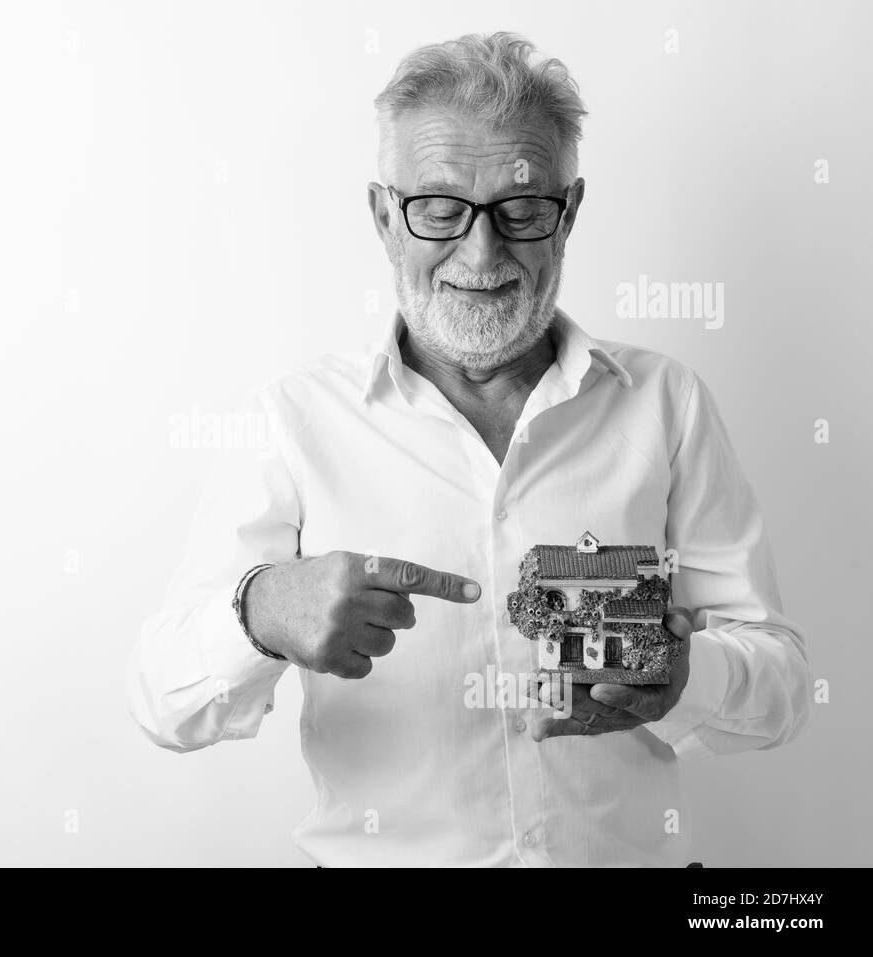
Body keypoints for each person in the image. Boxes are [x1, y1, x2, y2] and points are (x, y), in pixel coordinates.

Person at [126, 32, 811, 867]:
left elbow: (782, 688)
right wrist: (261, 612)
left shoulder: (667, 405)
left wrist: (683, 675)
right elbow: (161, 701)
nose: (481, 254)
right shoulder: (291, 422)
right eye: (440, 208)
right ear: (384, 216)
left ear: (570, 213)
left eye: (521, 210)